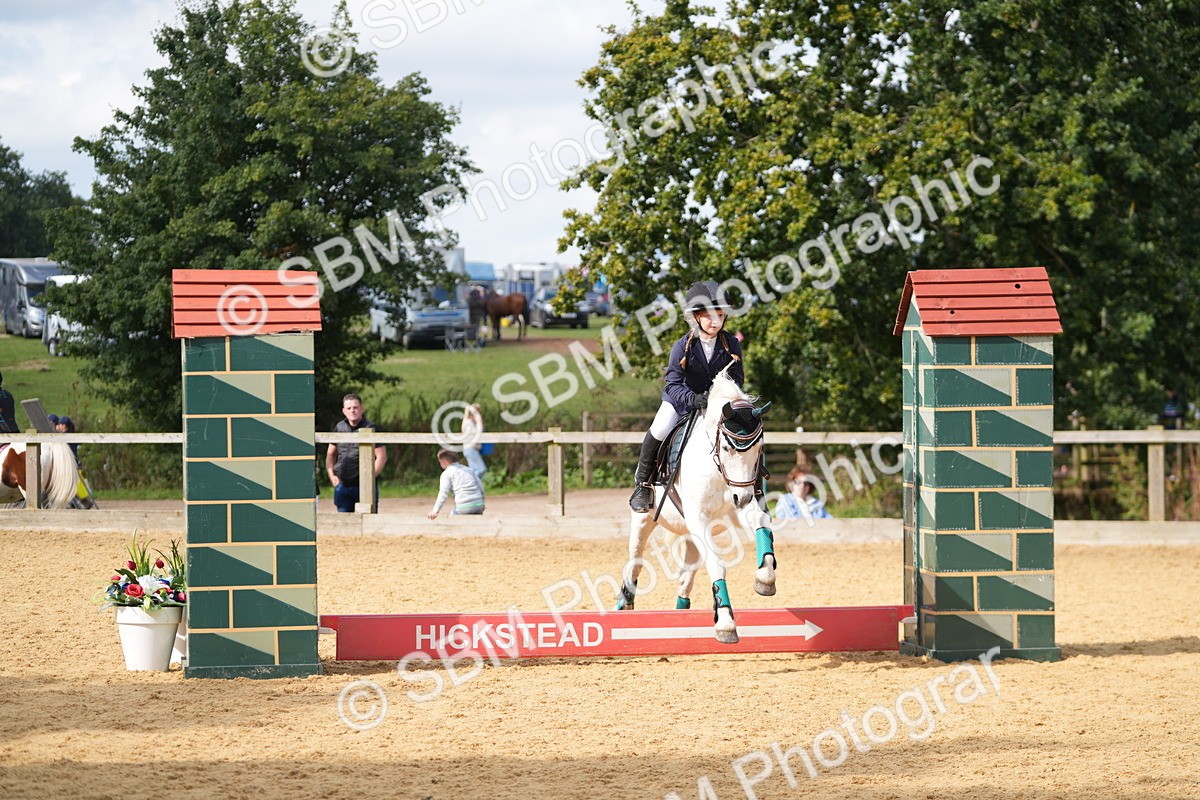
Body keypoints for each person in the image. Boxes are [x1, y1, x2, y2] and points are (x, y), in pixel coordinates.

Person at [629, 280, 745, 512]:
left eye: (721, 316)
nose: (716, 322)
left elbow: (737, 379)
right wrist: (693, 399)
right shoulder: (682, 346)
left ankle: (750, 484)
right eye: (710, 316)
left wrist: (717, 397)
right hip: (682, 402)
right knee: (660, 428)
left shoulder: (731, 344)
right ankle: (643, 484)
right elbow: (672, 384)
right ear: (696, 317)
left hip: (716, 405)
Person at [325, 393, 387, 513]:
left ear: (361, 408)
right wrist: (331, 476)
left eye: (355, 407)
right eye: (349, 408)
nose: (352, 411)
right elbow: (330, 454)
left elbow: (381, 457)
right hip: (342, 485)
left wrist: (369, 478)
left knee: (368, 522)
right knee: (343, 524)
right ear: (344, 411)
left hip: (363, 486)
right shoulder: (339, 427)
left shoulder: (371, 427)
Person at [428, 449, 485, 518]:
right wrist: (482, 503)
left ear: (443, 461)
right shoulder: (469, 470)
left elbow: (443, 494)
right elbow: (481, 487)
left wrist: (435, 510)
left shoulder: (446, 473)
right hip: (479, 505)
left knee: (453, 515)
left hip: (464, 507)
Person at [461, 403, 487, 481]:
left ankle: (472, 488)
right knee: (481, 469)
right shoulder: (468, 423)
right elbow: (477, 434)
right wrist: (479, 421)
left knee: (473, 470)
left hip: (472, 449)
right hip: (470, 449)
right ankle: (470, 484)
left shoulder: (471, 423)